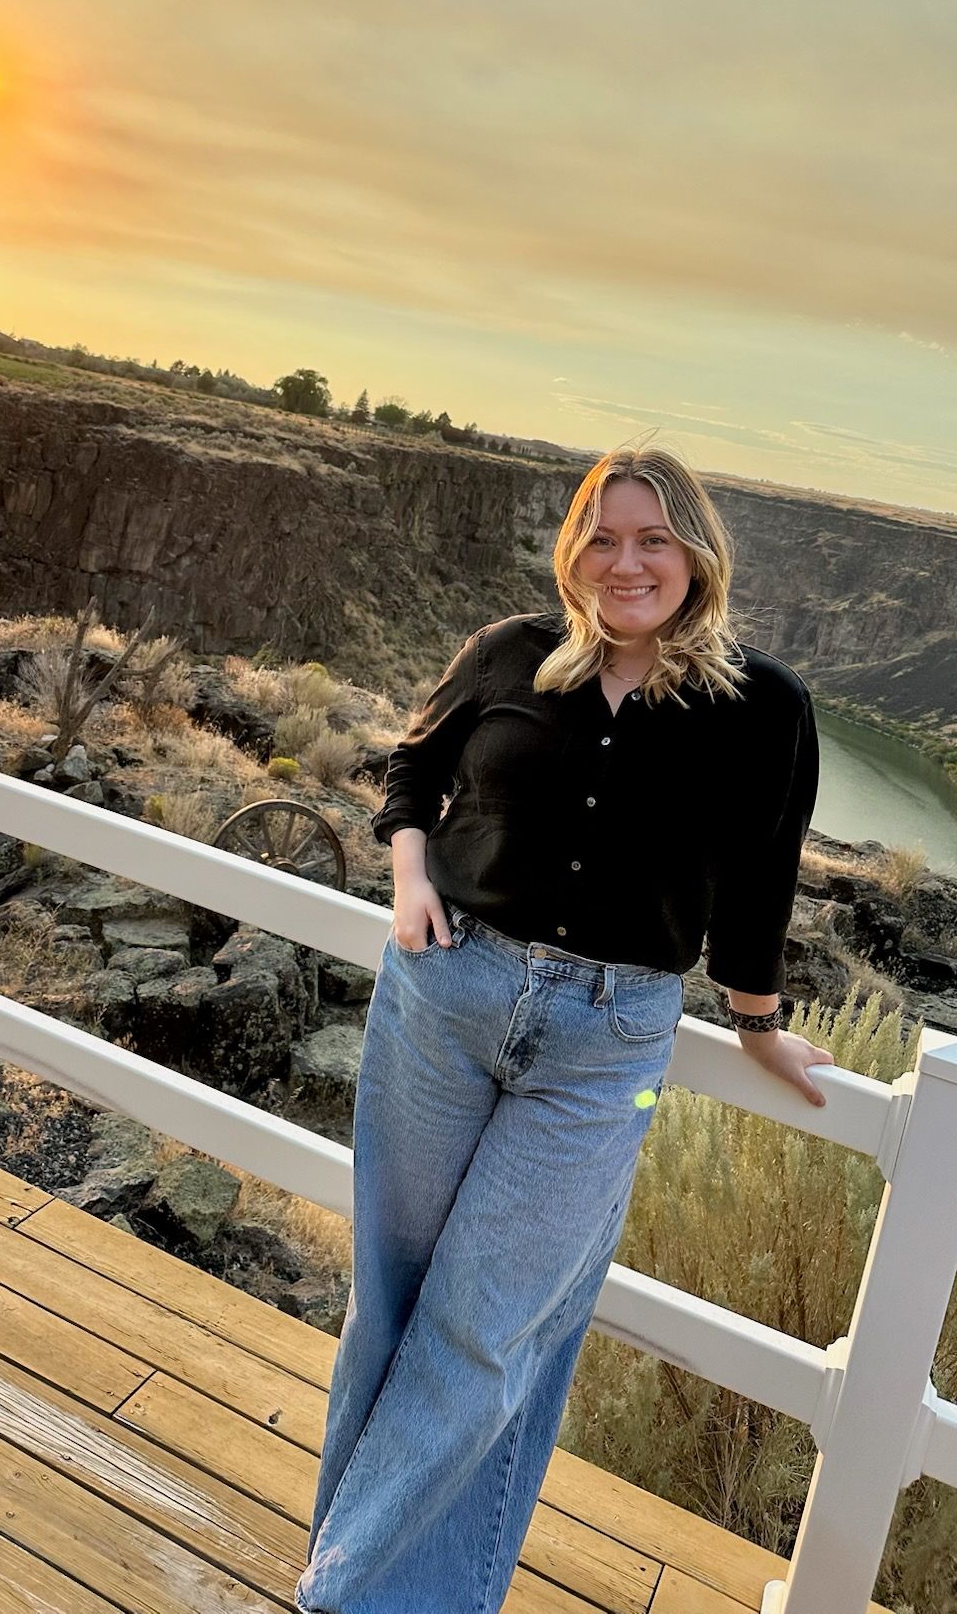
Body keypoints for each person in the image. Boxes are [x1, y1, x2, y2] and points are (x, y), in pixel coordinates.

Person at [294, 442, 833, 1614]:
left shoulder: (765, 708)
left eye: (652, 538)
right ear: (572, 546)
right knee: (392, 1294)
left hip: (608, 1038)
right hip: (446, 995)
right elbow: (411, 767)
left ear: (697, 552)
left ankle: (352, 1594)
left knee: (487, 1326)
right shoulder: (509, 651)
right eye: (602, 534)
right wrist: (407, 874)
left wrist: (757, 1023)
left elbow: (761, 879)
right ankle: (356, 1571)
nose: (624, 561)